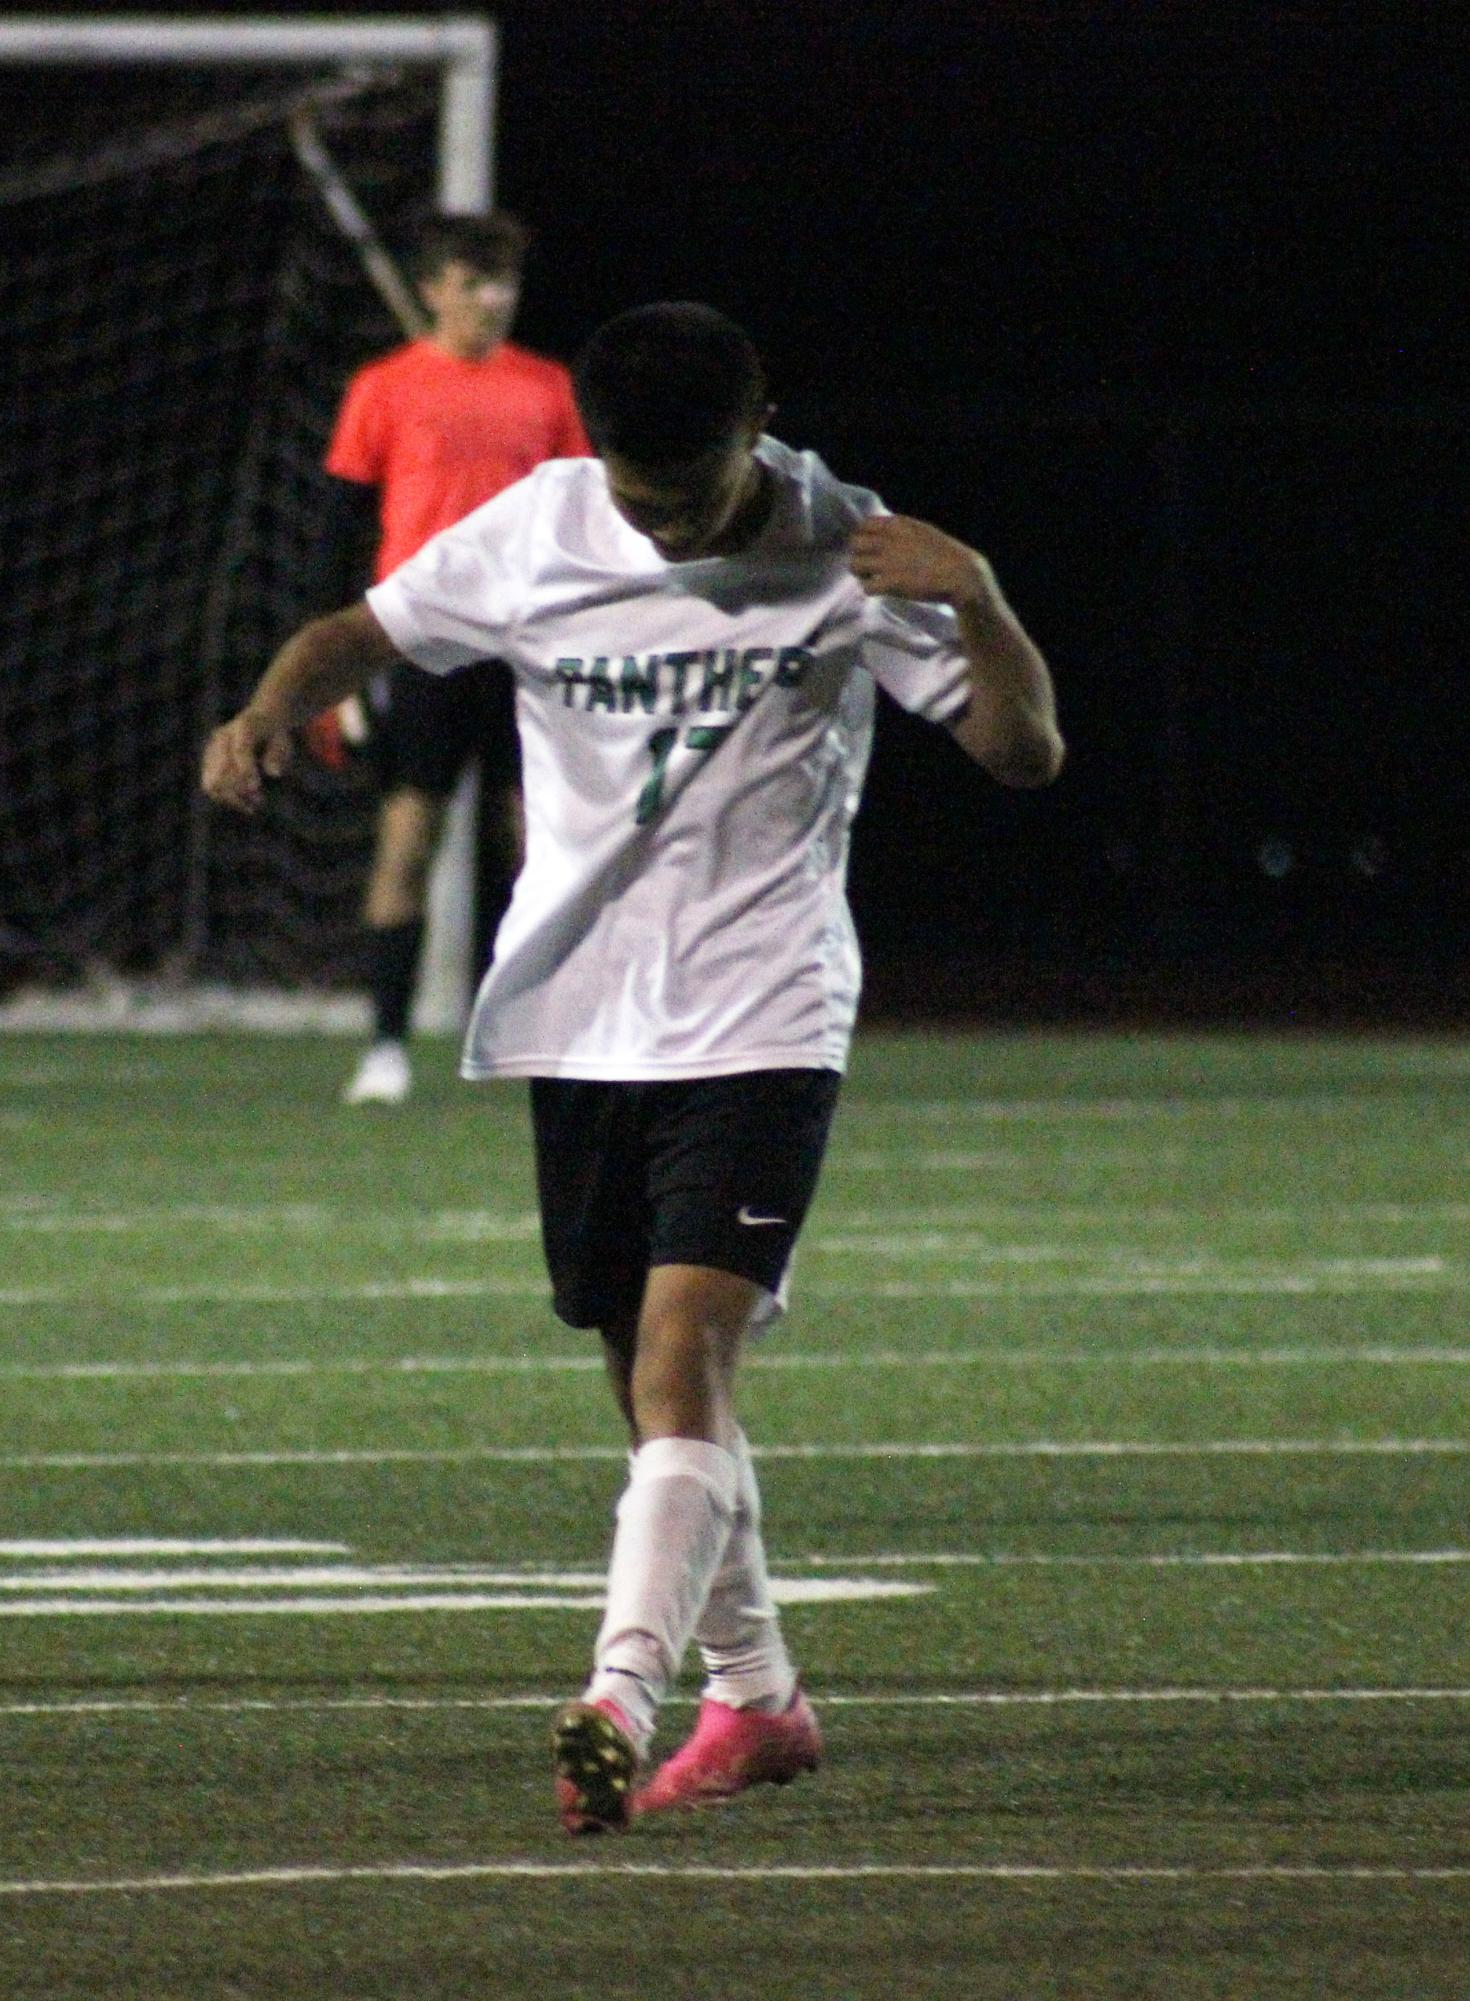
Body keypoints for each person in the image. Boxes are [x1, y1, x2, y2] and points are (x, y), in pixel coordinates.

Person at [201, 302, 1064, 1835]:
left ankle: (618, 1692)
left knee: (682, 1364)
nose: (657, 522)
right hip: (580, 1018)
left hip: (761, 1011)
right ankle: (763, 1696)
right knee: (646, 1382)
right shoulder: (541, 523)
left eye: (689, 492)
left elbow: (1020, 753)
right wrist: (274, 704)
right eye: (634, 492)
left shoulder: (845, 548)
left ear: (760, 427)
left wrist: (983, 601)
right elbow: (364, 629)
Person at [316, 212, 591, 1106]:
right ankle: (387, 1048)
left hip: (529, 647)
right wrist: (339, 675)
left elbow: (590, 521)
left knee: (541, 845)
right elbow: (339, 529)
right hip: (426, 642)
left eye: (505, 284)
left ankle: (544, 1040)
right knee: (408, 838)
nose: (494, 300)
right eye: (476, 283)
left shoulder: (548, 387)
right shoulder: (384, 388)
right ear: (435, 288)